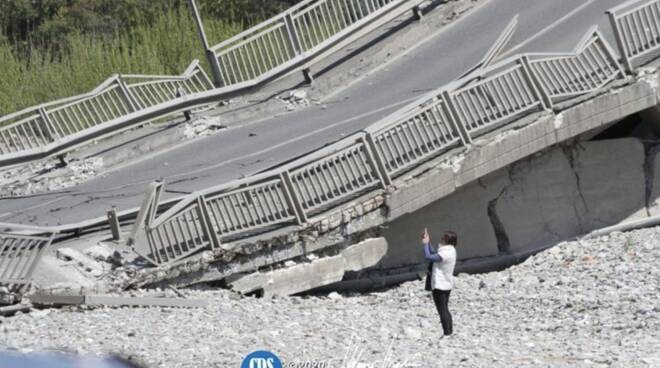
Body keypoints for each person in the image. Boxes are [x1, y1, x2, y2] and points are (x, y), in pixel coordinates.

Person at [422, 229, 457, 337]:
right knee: (445, 309)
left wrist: (425, 245)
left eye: (443, 238)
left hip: (440, 285)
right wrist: (428, 242)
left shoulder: (447, 252)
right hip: (446, 284)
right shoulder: (449, 250)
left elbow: (429, 256)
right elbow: (434, 253)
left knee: (442, 310)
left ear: (447, 240)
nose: (441, 239)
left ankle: (447, 333)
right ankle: (449, 332)